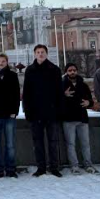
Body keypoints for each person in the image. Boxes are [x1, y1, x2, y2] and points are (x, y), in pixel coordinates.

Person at [22, 45, 63, 178]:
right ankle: (41, 167)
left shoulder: (55, 70)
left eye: (42, 52)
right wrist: (27, 112)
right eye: (38, 52)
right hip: (35, 113)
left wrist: (58, 111)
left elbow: (59, 93)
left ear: (46, 54)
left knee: (53, 142)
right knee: (38, 142)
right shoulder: (30, 70)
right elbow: (26, 93)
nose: (40, 54)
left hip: (51, 112)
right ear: (35, 54)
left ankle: (54, 167)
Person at [61, 63, 98, 175]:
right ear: (66, 72)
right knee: (70, 144)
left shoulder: (83, 85)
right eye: (70, 70)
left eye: (74, 70)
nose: (72, 72)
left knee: (85, 144)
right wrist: (63, 95)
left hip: (82, 118)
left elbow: (90, 101)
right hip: (68, 118)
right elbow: (56, 101)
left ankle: (88, 164)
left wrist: (88, 103)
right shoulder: (62, 85)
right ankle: (74, 166)